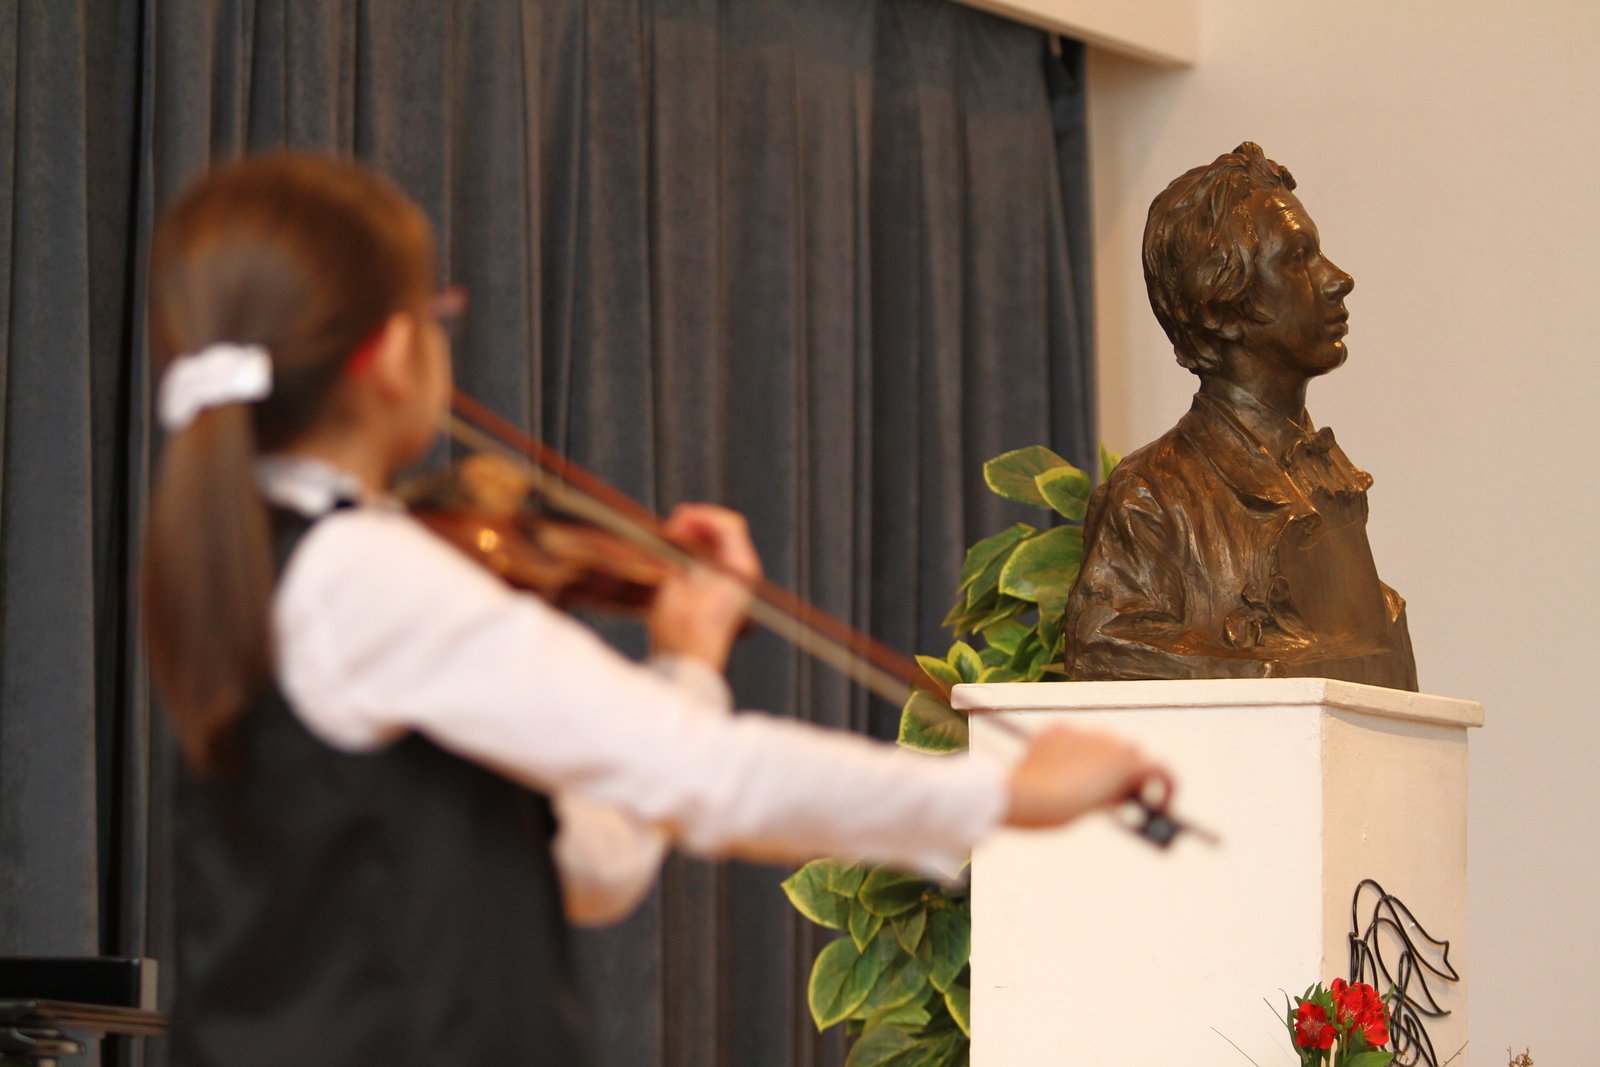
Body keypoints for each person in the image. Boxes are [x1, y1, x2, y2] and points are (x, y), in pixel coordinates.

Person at [142, 154, 1169, 1066]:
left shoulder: (277, 563)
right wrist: (999, 792)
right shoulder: (362, 571)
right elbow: (708, 774)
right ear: (390, 352)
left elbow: (589, 869)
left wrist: (686, 663)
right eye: (439, 315)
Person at [1064, 142, 1417, 690]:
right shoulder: (1151, 495)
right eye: (1297, 258)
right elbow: (1103, 649)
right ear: (1220, 303)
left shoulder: (1329, 478)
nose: (1337, 278)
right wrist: (1278, 671)